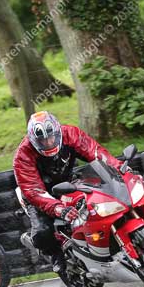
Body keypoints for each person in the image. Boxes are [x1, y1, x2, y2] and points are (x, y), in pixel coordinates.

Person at [14, 111, 128, 273]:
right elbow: (34, 191)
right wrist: (58, 208)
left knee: (100, 197)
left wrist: (118, 168)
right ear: (34, 140)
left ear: (58, 131)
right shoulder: (22, 155)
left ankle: (105, 242)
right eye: (43, 140)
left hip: (68, 180)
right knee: (42, 231)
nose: (48, 142)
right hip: (38, 193)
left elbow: (95, 152)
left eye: (51, 137)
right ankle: (55, 254)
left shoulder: (71, 134)